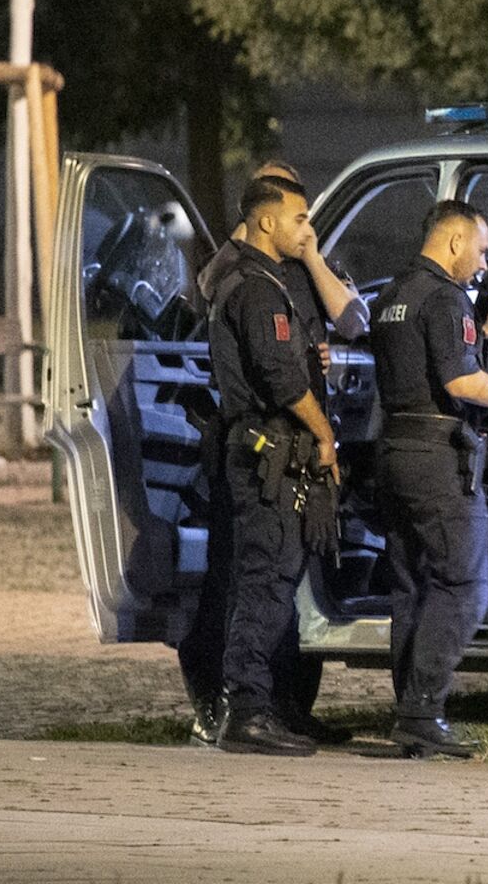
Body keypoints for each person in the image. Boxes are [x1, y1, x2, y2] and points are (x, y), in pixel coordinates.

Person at [178, 161, 366, 748]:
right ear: (265, 220)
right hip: (267, 454)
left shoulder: (275, 279)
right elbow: (283, 381)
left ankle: (271, 707)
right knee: (262, 586)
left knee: (275, 584)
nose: (307, 228)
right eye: (300, 217)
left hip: (276, 456)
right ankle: (247, 712)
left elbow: (338, 329)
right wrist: (327, 435)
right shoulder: (255, 288)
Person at [369, 199, 488, 758]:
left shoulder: (392, 294)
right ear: (454, 242)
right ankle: (423, 710)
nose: (484, 264)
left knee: (411, 586)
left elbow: (420, 370)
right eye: (481, 250)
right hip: (437, 459)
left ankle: (408, 713)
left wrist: (478, 335)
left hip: (396, 452)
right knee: (463, 585)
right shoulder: (444, 296)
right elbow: (462, 385)